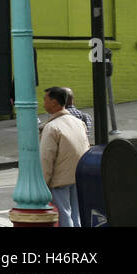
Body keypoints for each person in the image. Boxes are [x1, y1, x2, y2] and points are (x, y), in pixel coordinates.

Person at [40, 86, 89, 227]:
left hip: (59, 180)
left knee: (63, 216)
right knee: (76, 214)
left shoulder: (52, 127)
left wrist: (44, 184)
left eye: (45, 100)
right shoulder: (78, 122)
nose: (43, 103)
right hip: (77, 177)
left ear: (54, 102)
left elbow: (46, 158)